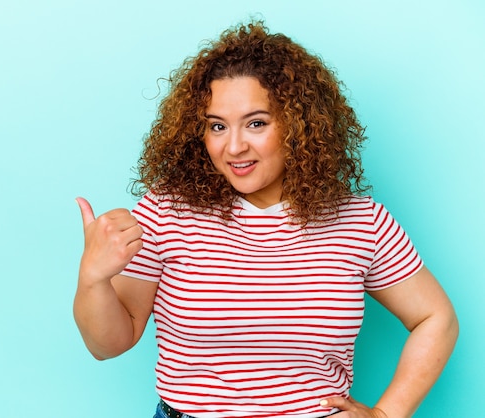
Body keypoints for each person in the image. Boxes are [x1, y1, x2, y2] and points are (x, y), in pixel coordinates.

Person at [73, 21, 458, 418]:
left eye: (256, 123)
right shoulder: (166, 213)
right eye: (217, 126)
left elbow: (436, 317)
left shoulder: (360, 222)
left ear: (298, 125)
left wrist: (385, 414)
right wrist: (94, 278)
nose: (234, 146)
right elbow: (108, 346)